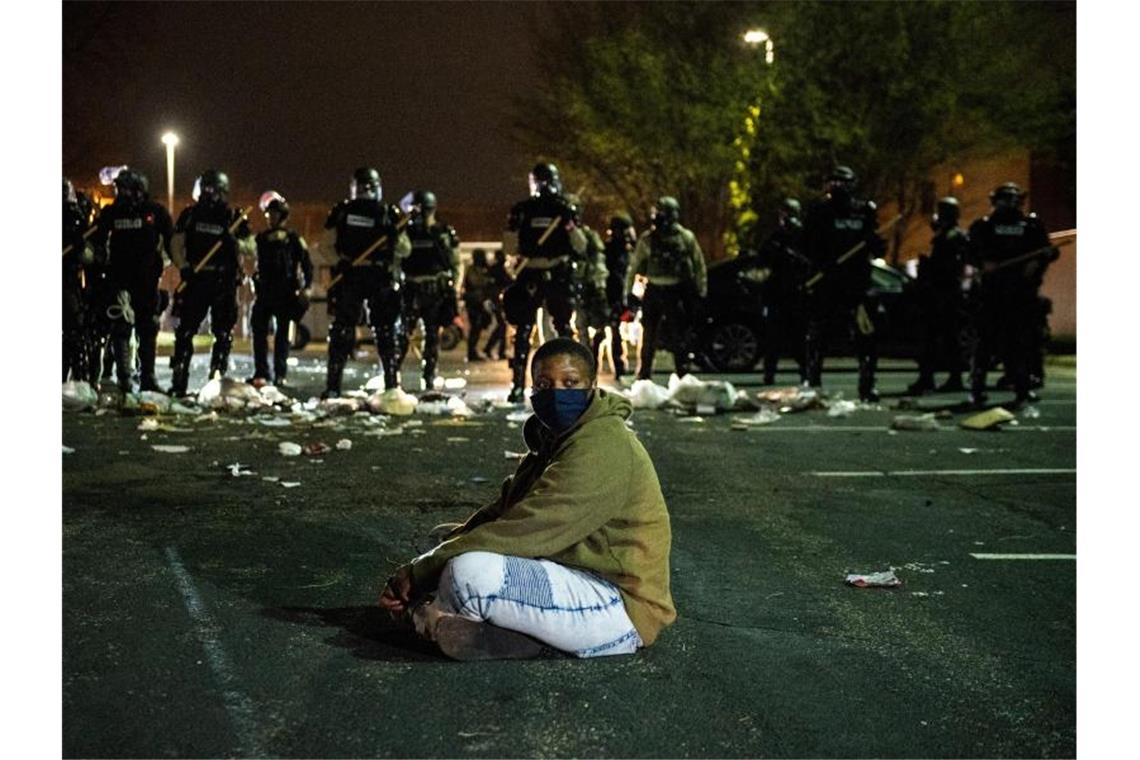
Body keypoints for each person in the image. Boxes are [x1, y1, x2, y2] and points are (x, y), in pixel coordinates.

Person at [379, 337, 676, 660]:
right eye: (545, 384)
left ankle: (430, 618)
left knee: (467, 573)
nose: (557, 393)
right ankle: (489, 628)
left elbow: (531, 526)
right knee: (446, 540)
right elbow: (503, 511)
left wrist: (422, 571)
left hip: (618, 605)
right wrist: (435, 556)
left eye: (571, 382)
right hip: (571, 571)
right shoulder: (555, 439)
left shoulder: (603, 445)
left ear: (592, 385)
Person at [502, 162, 588, 402]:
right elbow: (580, 245)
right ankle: (530, 384)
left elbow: (509, 247)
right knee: (545, 330)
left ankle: (525, 386)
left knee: (542, 330)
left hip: (545, 273)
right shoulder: (537, 209)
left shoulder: (551, 210)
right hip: (538, 273)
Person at [322, 167, 412, 397]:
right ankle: (339, 386)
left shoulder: (380, 213)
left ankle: (387, 384)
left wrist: (393, 238)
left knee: (378, 331)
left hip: (369, 275)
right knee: (362, 331)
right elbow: (404, 250)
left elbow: (325, 246)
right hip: (361, 275)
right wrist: (341, 261)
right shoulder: (353, 211)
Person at [966, 182, 1058, 406]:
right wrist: (982, 263)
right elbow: (968, 252)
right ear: (995, 201)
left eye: (1014, 199)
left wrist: (1037, 261)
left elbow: (1048, 251)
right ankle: (977, 390)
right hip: (992, 294)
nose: (1010, 204)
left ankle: (1022, 388)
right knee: (985, 344)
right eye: (1005, 199)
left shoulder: (1031, 226)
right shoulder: (984, 226)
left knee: (1020, 344)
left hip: (1021, 295)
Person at [802, 166, 885, 401]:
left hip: (857, 285)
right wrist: (822, 263)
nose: (838, 188)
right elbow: (806, 244)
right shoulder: (819, 211)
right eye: (834, 183)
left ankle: (867, 384)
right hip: (827, 283)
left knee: (865, 335)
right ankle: (813, 381)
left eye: (842, 183)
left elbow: (876, 247)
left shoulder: (864, 211)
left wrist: (874, 243)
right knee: (818, 334)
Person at [89, 168, 174, 393]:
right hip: (119, 278)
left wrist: (182, 265)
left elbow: (172, 240)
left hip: (146, 279)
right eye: (119, 189)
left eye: (124, 189)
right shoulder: (111, 212)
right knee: (121, 326)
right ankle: (124, 379)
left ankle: (147, 377)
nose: (121, 194)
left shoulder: (154, 212)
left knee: (148, 328)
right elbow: (97, 238)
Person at [624, 196, 707, 380]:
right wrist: (630, 293)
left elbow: (698, 265)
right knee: (651, 335)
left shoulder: (684, 237)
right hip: (655, 290)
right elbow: (635, 267)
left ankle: (682, 373)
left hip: (674, 291)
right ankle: (646, 373)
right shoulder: (650, 239)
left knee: (678, 335)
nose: (657, 217)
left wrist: (700, 292)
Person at [396, 190, 460, 391]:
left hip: (433, 289)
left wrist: (452, 288)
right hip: (411, 288)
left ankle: (428, 377)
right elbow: (397, 259)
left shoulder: (443, 232)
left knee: (431, 336)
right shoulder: (405, 232)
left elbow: (455, 264)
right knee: (403, 335)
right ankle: (393, 375)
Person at [248, 191, 313, 387]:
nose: (271, 218)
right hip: (264, 291)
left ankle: (280, 374)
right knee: (258, 331)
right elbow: (247, 251)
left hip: (285, 292)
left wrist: (307, 288)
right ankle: (261, 372)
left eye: (274, 214)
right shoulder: (260, 238)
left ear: (282, 216)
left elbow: (307, 264)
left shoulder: (293, 238)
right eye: (268, 215)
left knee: (282, 335)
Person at [907, 197, 969, 395]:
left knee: (937, 339)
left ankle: (935, 379)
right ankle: (941, 378)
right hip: (942, 294)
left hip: (944, 294)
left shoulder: (952, 237)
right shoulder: (949, 235)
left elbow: (948, 267)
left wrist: (927, 267)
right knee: (943, 339)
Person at [754, 198, 809, 385]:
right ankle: (770, 373)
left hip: (797, 294)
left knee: (799, 338)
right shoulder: (775, 238)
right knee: (773, 339)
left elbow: (811, 263)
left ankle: (806, 371)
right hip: (777, 295)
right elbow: (762, 260)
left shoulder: (803, 237)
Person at [63, 178, 96, 383]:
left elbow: (89, 255)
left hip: (68, 279)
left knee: (74, 331)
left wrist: (80, 246)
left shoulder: (74, 217)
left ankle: (78, 379)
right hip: (67, 280)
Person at [600, 213, 637, 381]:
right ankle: (618, 368)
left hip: (618, 294)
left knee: (612, 332)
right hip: (611, 295)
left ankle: (618, 367)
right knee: (610, 332)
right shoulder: (611, 250)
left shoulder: (624, 250)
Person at [461, 248, 496, 362]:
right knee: (475, 327)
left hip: (479, 302)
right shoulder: (472, 269)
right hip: (473, 302)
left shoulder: (483, 269)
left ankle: (473, 351)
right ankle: (471, 352)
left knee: (479, 326)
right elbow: (476, 282)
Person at [482, 249, 511, 361]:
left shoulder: (495, 269)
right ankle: (496, 350)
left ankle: (492, 349)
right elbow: (507, 281)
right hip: (496, 301)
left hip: (495, 300)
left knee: (501, 326)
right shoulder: (498, 270)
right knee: (502, 326)